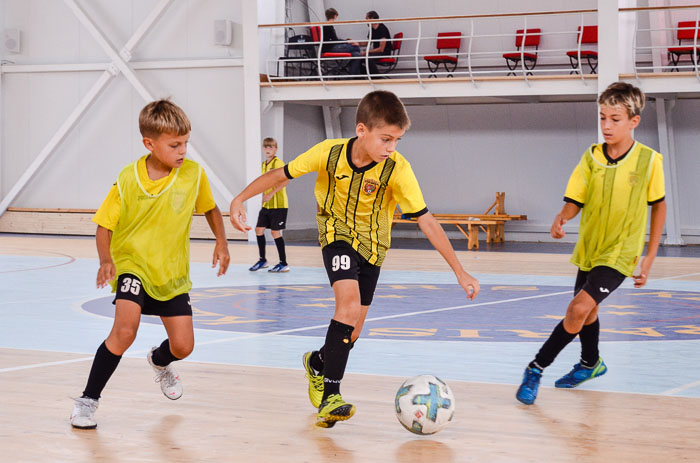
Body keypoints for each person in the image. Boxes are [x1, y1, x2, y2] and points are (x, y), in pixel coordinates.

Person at [230, 90, 479, 427]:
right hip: (337, 237)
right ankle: (331, 396)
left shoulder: (398, 169)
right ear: (362, 130)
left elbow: (426, 220)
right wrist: (239, 199)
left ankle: (318, 364)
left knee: (353, 330)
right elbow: (281, 175)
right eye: (386, 138)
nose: (391, 147)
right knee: (346, 307)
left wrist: (460, 271)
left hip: (374, 248)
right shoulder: (328, 154)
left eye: (397, 140)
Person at [70, 99, 230, 429]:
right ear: (150, 144)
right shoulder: (129, 177)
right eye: (174, 145)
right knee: (124, 331)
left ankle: (159, 361)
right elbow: (105, 224)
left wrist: (222, 242)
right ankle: (87, 401)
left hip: (171, 273)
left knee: (183, 346)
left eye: (185, 142)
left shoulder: (193, 174)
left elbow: (211, 209)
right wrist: (106, 259)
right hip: (133, 265)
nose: (183, 150)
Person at [515, 82, 666, 405]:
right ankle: (590, 364)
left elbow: (659, 206)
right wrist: (562, 216)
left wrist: (650, 256)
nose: (607, 126)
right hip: (590, 249)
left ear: (634, 121)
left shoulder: (649, 161)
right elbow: (575, 199)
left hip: (620, 253)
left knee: (577, 308)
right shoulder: (591, 157)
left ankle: (536, 368)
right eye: (602, 118)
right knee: (589, 311)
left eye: (615, 119)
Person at [249, 137, 290, 273]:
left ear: (275, 149)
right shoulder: (263, 165)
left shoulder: (278, 163)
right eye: (266, 147)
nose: (268, 149)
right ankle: (262, 260)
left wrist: (271, 193)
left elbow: (285, 181)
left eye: (271, 147)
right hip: (267, 205)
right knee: (258, 230)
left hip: (279, 205)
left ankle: (283, 263)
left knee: (275, 232)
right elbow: (262, 183)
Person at [322, 8, 363, 76]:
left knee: (356, 54)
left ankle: (354, 75)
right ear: (335, 16)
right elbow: (335, 40)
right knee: (356, 47)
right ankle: (355, 75)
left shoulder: (326, 25)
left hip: (329, 47)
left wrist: (346, 41)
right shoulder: (328, 26)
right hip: (330, 48)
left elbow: (334, 40)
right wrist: (348, 42)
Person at [360, 11, 393, 75]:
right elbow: (366, 43)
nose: (365, 21)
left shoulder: (382, 29)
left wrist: (367, 52)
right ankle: (366, 76)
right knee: (358, 59)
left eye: (367, 18)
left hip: (384, 53)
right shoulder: (372, 29)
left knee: (368, 58)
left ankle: (376, 77)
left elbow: (381, 49)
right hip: (377, 52)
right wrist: (355, 43)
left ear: (372, 18)